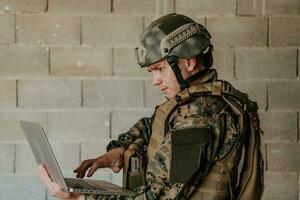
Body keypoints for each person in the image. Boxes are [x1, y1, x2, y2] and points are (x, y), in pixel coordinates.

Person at [38, 13, 264, 200]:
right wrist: (118, 149)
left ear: (189, 61)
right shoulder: (194, 104)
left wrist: (80, 197)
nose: (155, 80)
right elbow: (153, 124)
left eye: (160, 69)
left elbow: (158, 197)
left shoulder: (202, 116)